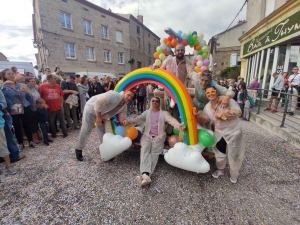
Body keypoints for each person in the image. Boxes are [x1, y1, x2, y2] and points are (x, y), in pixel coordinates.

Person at [127, 97, 186, 187]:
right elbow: (137, 119)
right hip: (147, 136)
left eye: (157, 101)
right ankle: (146, 175)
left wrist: (179, 126)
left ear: (159, 103)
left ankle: (145, 175)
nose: (155, 103)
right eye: (153, 101)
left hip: (159, 137)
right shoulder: (147, 113)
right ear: (151, 102)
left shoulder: (164, 113)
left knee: (154, 154)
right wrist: (127, 122)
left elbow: (172, 120)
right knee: (144, 151)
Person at [195, 86, 245, 183]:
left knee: (234, 153)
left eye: (212, 91)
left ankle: (234, 174)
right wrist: (197, 116)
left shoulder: (228, 101)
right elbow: (206, 120)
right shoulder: (207, 107)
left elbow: (238, 112)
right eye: (208, 93)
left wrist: (224, 113)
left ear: (217, 92)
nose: (210, 94)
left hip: (233, 131)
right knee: (219, 151)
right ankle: (220, 169)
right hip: (220, 132)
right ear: (206, 95)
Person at [74, 89, 135, 161]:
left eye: (131, 97)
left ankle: (105, 152)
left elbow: (123, 117)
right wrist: (98, 117)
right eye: (128, 95)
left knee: (102, 133)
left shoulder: (124, 106)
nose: (129, 98)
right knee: (86, 130)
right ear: (124, 92)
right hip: (91, 109)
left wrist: (124, 121)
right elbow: (99, 101)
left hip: (102, 115)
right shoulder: (114, 95)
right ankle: (78, 149)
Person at [1, 69, 36, 150]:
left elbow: (29, 98)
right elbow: (3, 98)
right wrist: (4, 86)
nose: (11, 75)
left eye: (12, 73)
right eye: (9, 74)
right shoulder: (3, 86)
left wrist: (27, 92)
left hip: (24, 106)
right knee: (17, 126)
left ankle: (30, 141)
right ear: (4, 76)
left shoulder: (21, 85)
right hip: (13, 107)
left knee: (27, 124)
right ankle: (20, 143)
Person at [38, 74, 68, 138]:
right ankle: (53, 133)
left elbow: (61, 95)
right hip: (49, 108)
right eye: (54, 78)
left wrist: (61, 105)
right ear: (50, 79)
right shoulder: (42, 86)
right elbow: (39, 97)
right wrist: (44, 105)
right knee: (51, 122)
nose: (56, 79)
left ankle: (65, 133)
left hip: (59, 107)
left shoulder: (57, 86)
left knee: (62, 120)